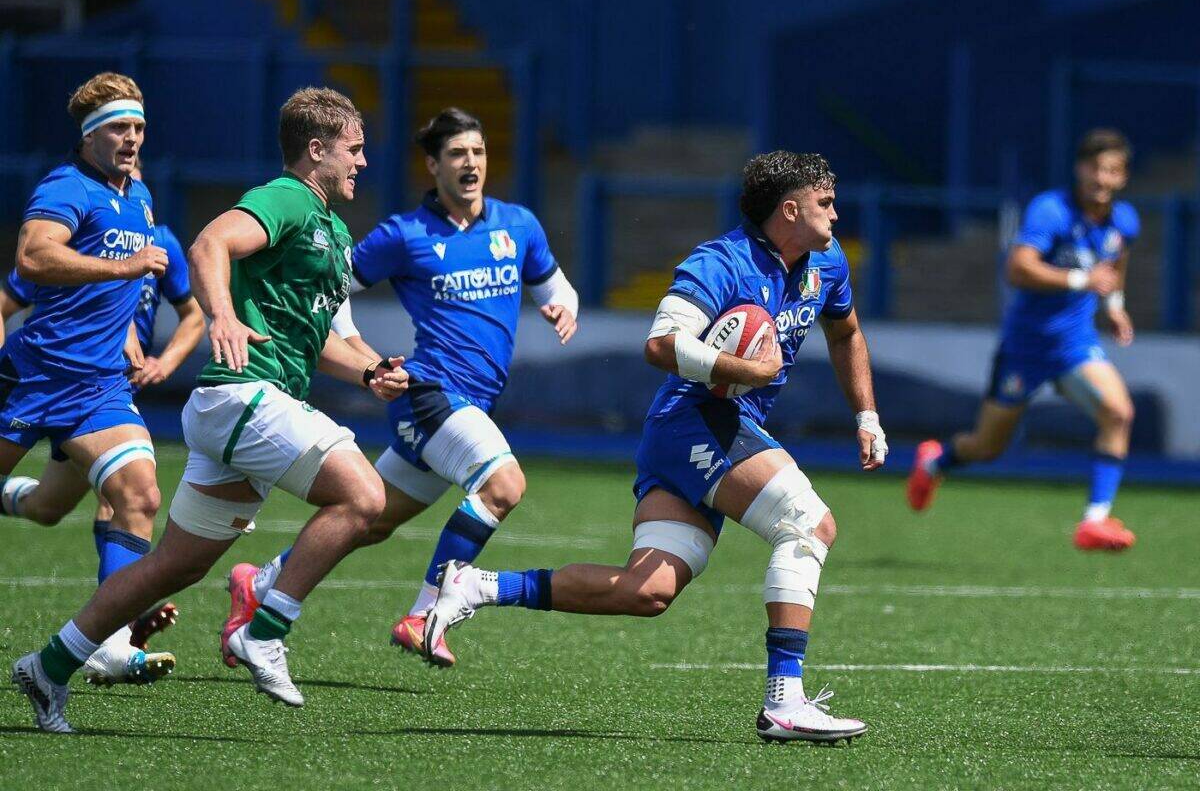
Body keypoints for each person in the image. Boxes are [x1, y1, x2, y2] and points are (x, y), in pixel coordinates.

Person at [421, 151, 888, 744]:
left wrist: (867, 416)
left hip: (703, 432)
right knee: (810, 524)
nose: (836, 214)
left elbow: (846, 331)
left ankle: (475, 586)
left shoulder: (826, 260)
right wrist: (743, 367)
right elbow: (660, 343)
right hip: (696, 423)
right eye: (825, 203)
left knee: (648, 592)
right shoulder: (721, 263)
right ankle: (785, 700)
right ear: (790, 209)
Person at [12, 86, 409, 733]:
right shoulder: (287, 197)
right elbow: (208, 245)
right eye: (354, 150)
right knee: (365, 496)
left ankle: (48, 665)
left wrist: (369, 370)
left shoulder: (333, 229)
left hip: (250, 405)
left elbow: (318, 337)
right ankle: (265, 626)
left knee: (174, 565)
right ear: (316, 151)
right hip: (242, 395)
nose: (364, 162)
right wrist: (221, 314)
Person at [223, 107, 579, 669]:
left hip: (472, 403)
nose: (470, 164)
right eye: (457, 154)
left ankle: (260, 582)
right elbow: (332, 286)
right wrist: (353, 347)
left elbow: (556, 286)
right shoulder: (404, 234)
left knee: (372, 521)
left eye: (478, 153)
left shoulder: (519, 226)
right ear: (434, 165)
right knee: (503, 484)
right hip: (431, 394)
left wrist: (562, 306)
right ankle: (426, 613)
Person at [0, 72, 176, 687]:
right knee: (50, 508)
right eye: (119, 128)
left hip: (98, 386)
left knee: (140, 495)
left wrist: (125, 327)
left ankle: (109, 640)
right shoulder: (66, 185)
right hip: (35, 375)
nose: (132, 138)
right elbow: (33, 256)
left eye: (138, 128)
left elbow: (117, 292)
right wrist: (123, 266)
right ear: (91, 135)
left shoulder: (139, 194)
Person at [907, 129, 1140, 551]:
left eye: (1112, 171)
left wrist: (1115, 306)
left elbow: (1115, 264)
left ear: (1123, 177)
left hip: (1074, 346)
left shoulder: (1124, 221)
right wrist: (1080, 279)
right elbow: (1017, 270)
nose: (1102, 179)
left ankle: (1094, 521)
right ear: (1080, 168)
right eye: (1095, 168)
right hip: (1025, 350)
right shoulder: (1051, 210)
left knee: (1119, 412)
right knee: (987, 447)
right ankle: (934, 461)